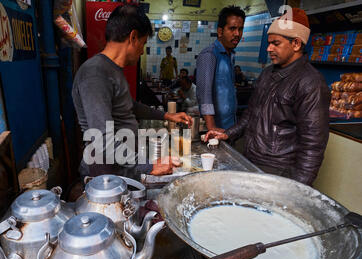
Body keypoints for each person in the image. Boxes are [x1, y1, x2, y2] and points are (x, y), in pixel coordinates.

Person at [204, 8, 330, 186]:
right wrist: (228, 134)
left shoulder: (311, 83)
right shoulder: (267, 74)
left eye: (276, 43)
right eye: (269, 43)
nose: (269, 48)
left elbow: (312, 147)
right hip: (251, 161)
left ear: (295, 43)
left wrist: (297, 189)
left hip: (280, 172)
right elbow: (250, 115)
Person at [72, 4, 192, 180]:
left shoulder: (112, 70)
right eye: (143, 43)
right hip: (106, 171)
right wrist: (149, 166)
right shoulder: (95, 74)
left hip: (121, 164)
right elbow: (102, 140)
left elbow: (129, 105)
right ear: (133, 37)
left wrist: (167, 116)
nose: (142, 51)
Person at [196, 5, 245, 130]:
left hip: (230, 126)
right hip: (214, 128)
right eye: (232, 28)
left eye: (240, 29)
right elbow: (204, 93)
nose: (237, 34)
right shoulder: (209, 55)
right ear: (220, 31)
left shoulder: (230, 55)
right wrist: (211, 127)